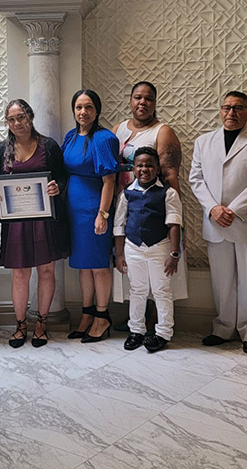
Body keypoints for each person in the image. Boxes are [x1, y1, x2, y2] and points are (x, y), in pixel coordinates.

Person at [189, 91, 247, 354]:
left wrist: (234, 210)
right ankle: (224, 327)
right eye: (227, 107)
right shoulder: (204, 142)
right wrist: (214, 209)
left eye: (238, 108)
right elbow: (196, 179)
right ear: (220, 110)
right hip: (215, 222)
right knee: (222, 279)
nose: (231, 113)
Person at [0, 99, 70, 348]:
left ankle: (42, 322)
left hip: (44, 219)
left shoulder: (49, 146)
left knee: (46, 271)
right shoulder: (1, 149)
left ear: (31, 117)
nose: (18, 123)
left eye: (22, 117)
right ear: (7, 122)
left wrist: (57, 186)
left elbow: (62, 177)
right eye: (12, 119)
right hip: (16, 223)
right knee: (20, 274)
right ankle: (20, 325)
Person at [111, 81, 188, 326]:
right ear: (130, 101)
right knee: (133, 265)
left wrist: (174, 217)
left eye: (148, 99)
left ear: (155, 103)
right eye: (137, 97)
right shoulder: (118, 129)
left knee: (157, 266)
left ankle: (156, 320)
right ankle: (136, 319)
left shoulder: (162, 131)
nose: (142, 102)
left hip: (155, 206)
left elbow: (170, 174)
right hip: (125, 201)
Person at [62, 89, 120, 342]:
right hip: (72, 210)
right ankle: (86, 313)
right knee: (82, 266)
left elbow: (110, 181)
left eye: (88, 107)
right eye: (78, 107)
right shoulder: (71, 136)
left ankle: (102, 315)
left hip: (94, 209)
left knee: (98, 265)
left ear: (97, 110)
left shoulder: (104, 138)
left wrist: (103, 214)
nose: (83, 112)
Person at [114, 147, 183, 353]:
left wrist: (174, 254)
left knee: (161, 290)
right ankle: (136, 330)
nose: (144, 169)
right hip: (133, 248)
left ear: (157, 168)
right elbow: (119, 226)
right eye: (140, 165)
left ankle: (163, 333)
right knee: (137, 290)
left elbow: (174, 224)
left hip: (159, 248)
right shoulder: (126, 193)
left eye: (149, 165)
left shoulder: (167, 193)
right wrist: (119, 254)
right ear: (133, 168)